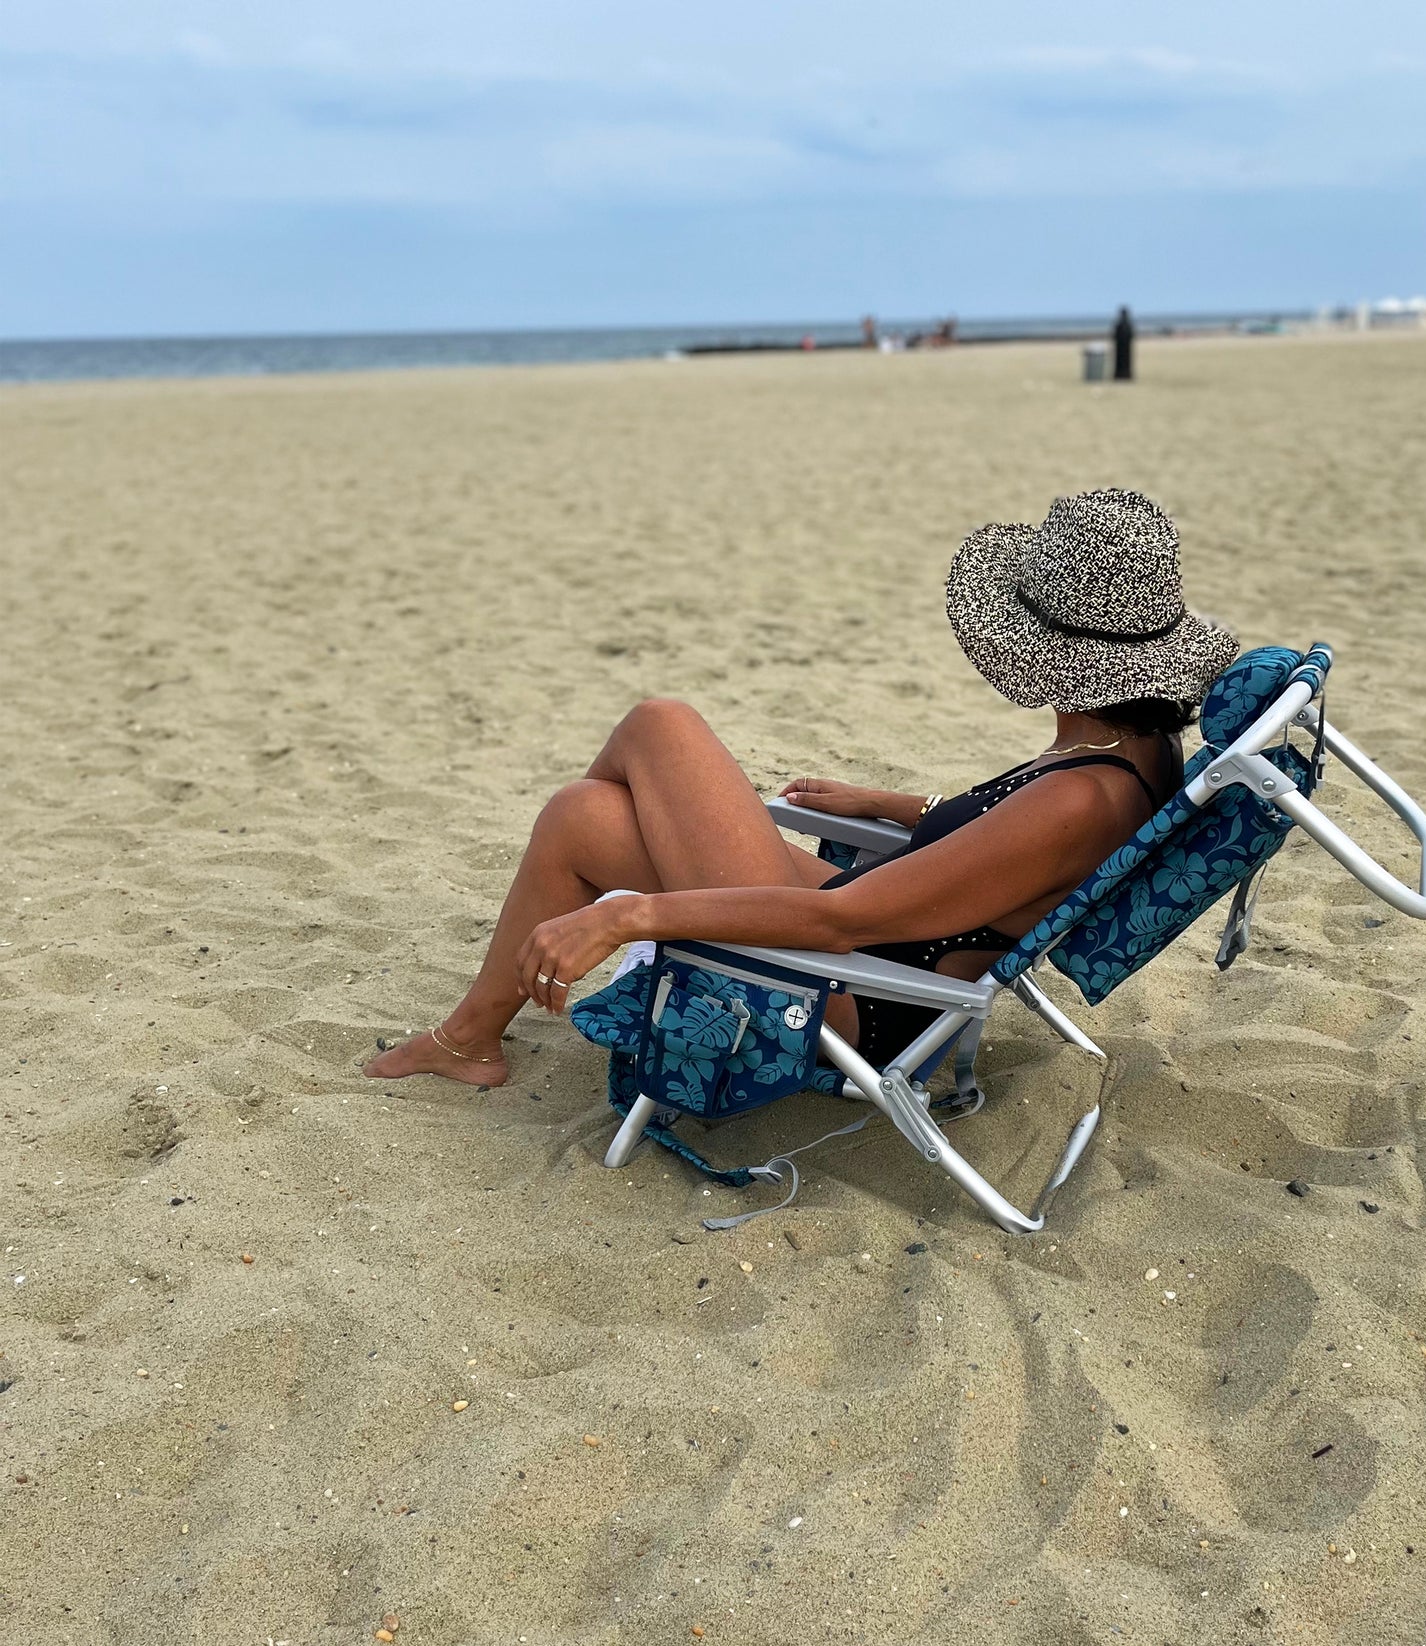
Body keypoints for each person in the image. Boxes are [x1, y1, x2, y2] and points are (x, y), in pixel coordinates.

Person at [364, 490, 1237, 1085]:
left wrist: (629, 915)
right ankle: (472, 1040)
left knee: (658, 722)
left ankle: (521, 1011)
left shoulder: (1084, 797)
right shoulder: (1136, 747)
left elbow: (841, 922)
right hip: (883, 937)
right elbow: (1004, 860)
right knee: (581, 817)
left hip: (856, 988)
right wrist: (892, 807)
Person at [1112, 305, 1135, 380]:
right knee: (1122, 361)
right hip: (1123, 346)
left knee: (1123, 361)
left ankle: (1122, 375)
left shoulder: (1122, 324)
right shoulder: (1126, 324)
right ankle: (1123, 375)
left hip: (1122, 346)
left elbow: (1115, 335)